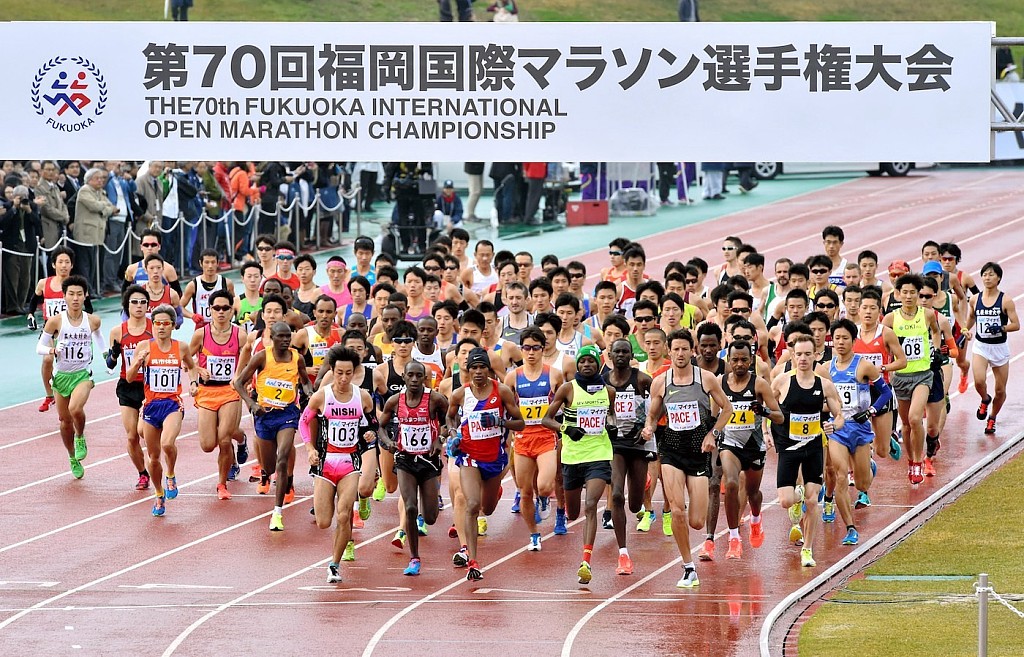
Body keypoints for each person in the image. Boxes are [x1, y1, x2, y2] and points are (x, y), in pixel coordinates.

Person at [642, 329, 732, 588]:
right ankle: (688, 567)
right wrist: (648, 428)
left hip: (698, 452)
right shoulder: (660, 382)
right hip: (671, 450)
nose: (680, 354)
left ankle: (692, 548)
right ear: (669, 351)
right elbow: (653, 415)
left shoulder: (706, 379)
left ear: (692, 351)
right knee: (677, 509)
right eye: (676, 349)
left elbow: (727, 408)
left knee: (697, 521)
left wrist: (713, 434)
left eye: (684, 349)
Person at [446, 347, 525, 581]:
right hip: (469, 456)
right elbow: (450, 417)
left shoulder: (501, 391)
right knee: (471, 505)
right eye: (474, 368)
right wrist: (453, 435)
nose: (478, 372)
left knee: (486, 509)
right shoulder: (460, 394)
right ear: (468, 370)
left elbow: (520, 423)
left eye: (482, 367)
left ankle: (494, 491)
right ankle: (473, 561)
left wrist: (500, 421)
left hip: (493, 459)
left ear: (488, 369)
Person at [301, 346, 377, 583]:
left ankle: (334, 564)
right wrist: (310, 448)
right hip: (325, 463)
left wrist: (370, 434)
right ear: (332, 372)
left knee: (344, 516)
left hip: (350, 462)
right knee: (324, 522)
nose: (343, 378)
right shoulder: (322, 396)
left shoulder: (362, 397)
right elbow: (304, 422)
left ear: (354, 372)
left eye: (348, 373)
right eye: (339, 373)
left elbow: (373, 424)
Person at [541, 345, 615, 584]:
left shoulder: (609, 391)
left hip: (599, 453)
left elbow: (611, 415)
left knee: (591, 505)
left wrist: (612, 426)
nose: (586, 365)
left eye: (591, 361)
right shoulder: (568, 389)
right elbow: (546, 419)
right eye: (582, 361)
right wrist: (566, 428)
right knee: (573, 513)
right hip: (572, 457)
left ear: (598, 365)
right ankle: (565, 512)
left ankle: (586, 561)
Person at [770, 334, 844, 567]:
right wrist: (766, 432)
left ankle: (808, 549)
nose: (803, 358)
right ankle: (797, 495)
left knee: (813, 501)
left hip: (813, 447)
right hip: (789, 447)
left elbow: (840, 415)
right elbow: (768, 407)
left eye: (807, 354)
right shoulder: (782, 382)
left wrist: (834, 425)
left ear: (815, 356)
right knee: (785, 500)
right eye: (799, 354)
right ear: (792, 355)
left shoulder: (824, 385)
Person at [233, 321, 312, 531]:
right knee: (269, 467)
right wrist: (252, 404)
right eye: (281, 336)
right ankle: (271, 475)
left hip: (287, 413)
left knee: (283, 458)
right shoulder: (262, 357)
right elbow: (239, 382)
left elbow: (305, 381)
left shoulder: (297, 358)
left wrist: (310, 393)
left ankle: (277, 513)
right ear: (272, 337)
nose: (285, 340)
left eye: (288, 336)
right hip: (265, 415)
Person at [821, 319, 892, 546]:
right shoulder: (825, 369)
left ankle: (869, 468)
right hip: (837, 429)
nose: (840, 342)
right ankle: (850, 527)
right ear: (832, 341)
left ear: (854, 341)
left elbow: (886, 393)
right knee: (841, 476)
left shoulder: (864, 366)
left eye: (845, 338)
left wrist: (870, 411)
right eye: (837, 338)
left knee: (862, 484)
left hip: (860, 429)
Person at [128, 304, 199, 516]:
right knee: (153, 457)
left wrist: (193, 382)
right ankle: (159, 494)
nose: (161, 327)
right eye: (157, 323)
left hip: (172, 404)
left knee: (167, 443)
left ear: (173, 326)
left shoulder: (181, 347)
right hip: (151, 405)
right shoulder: (144, 347)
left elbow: (191, 366)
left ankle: (171, 474)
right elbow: (130, 377)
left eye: (165, 323)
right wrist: (138, 362)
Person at [378, 361, 448, 576]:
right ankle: (414, 558)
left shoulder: (435, 399)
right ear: (404, 377)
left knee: (430, 518)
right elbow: (381, 426)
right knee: (409, 507)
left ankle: (431, 499)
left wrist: (440, 440)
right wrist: (388, 442)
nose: (415, 379)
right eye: (411, 375)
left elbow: (449, 421)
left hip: (428, 461)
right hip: (405, 460)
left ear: (424, 378)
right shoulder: (395, 401)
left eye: (419, 375)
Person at [718, 340, 783, 559]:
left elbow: (780, 417)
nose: (739, 364)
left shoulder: (759, 385)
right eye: (735, 360)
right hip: (730, 444)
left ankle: (756, 518)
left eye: (744, 360)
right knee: (731, 483)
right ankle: (734, 537)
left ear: (751, 361)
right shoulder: (721, 383)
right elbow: (713, 413)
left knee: (753, 493)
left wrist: (763, 411)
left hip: (754, 446)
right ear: (728, 360)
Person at [35, 275, 105, 479]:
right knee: (65, 422)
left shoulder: (93, 320)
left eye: (79, 294)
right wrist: (53, 350)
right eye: (71, 294)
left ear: (85, 296)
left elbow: (99, 339)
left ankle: (80, 436)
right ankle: (72, 457)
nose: (75, 298)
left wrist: (107, 356)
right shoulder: (56, 321)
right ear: (64, 296)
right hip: (61, 376)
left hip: (82, 374)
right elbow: (39, 347)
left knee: (75, 408)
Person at [504, 326, 563, 552]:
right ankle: (534, 535)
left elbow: (563, 403)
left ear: (542, 349)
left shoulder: (553, 375)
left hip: (546, 437)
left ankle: (545, 498)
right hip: (522, 438)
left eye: (535, 348)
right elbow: (506, 407)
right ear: (521, 349)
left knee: (545, 486)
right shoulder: (513, 377)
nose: (530, 352)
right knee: (525, 491)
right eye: (526, 348)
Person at [882, 274, 942, 484]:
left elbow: (936, 332)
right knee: (906, 425)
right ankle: (910, 461)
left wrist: (935, 349)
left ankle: (918, 461)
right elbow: (883, 344)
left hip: (923, 375)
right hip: (900, 377)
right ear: (898, 294)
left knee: (916, 418)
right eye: (905, 292)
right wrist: (888, 363)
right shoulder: (890, 319)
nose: (909, 296)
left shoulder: (927, 315)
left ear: (918, 294)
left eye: (913, 293)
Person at [190, 289, 248, 499]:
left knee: (224, 438)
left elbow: (248, 362)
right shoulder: (201, 334)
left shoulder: (240, 335)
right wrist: (196, 374)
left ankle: (222, 484)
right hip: (207, 392)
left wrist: (240, 378)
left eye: (225, 308)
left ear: (232, 310)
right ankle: (241, 439)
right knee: (207, 444)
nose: (221, 312)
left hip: (230, 391)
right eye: (217, 308)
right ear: (210, 310)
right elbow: (186, 360)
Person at [603, 338, 653, 574]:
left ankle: (643, 483)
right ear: (610, 356)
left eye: (625, 351)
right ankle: (623, 553)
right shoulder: (603, 382)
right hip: (614, 444)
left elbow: (658, 405)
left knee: (634, 505)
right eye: (617, 352)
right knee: (616, 495)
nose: (621, 355)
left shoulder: (642, 379)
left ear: (631, 355)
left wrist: (649, 427)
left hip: (638, 444)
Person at [107, 285, 154, 490]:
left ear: (148, 306)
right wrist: (114, 354)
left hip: (150, 384)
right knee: (132, 435)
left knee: (146, 433)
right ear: (127, 305)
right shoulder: (118, 331)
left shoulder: (154, 328)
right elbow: (110, 364)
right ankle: (143, 473)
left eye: (143, 302)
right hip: (127, 384)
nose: (139, 306)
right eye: (134, 302)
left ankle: (157, 464)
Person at [966, 262, 1019, 435]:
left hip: (999, 348)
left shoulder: (1005, 300)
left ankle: (992, 418)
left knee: (1000, 390)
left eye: (991, 274)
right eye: (984, 274)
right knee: (979, 381)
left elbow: (1016, 324)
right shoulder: (975, 299)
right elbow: (971, 317)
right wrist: (965, 329)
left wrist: (1001, 328)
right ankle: (984, 399)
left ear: (999, 278)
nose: (987, 278)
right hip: (981, 346)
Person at [28, 246, 78, 411]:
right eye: (60, 262)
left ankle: (69, 394)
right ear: (53, 264)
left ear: (71, 265)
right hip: (50, 330)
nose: (63, 265)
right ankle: (49, 395)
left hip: (70, 331)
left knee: (68, 365)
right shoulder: (44, 283)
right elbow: (34, 300)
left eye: (67, 262)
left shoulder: (76, 285)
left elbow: (89, 308)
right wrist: (30, 315)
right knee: (47, 359)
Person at [180, 249, 234, 329]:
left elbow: (235, 305)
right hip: (202, 328)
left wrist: (228, 318)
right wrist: (192, 316)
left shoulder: (226, 283)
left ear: (217, 263)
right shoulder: (193, 285)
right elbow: (179, 307)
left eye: (213, 262)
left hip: (222, 327)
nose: (210, 266)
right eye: (207, 262)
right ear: (200, 263)